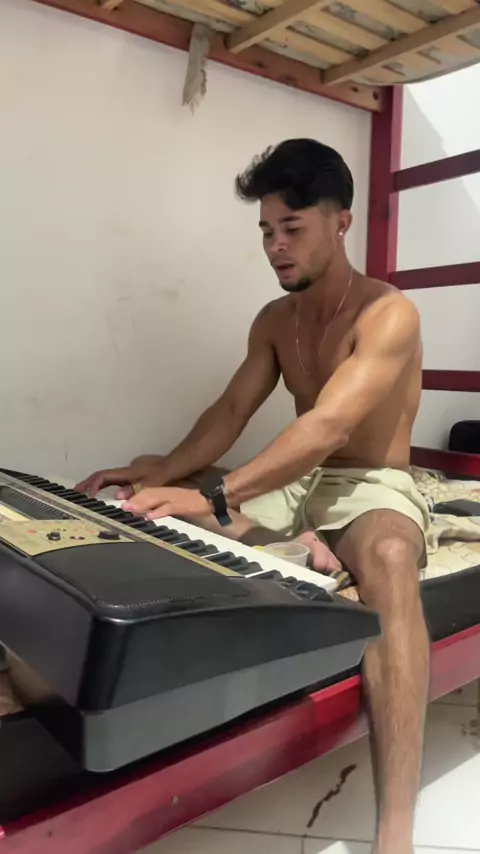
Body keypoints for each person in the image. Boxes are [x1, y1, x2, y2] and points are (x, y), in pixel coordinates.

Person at [77, 139, 429, 854]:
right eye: (266, 231)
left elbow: (329, 427)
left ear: (341, 222)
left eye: (291, 228)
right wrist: (162, 474)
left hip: (366, 483)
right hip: (297, 484)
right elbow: (230, 413)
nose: (275, 246)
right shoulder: (275, 320)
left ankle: (396, 833)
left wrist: (215, 496)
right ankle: (301, 545)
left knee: (391, 556)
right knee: (148, 488)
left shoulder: (390, 314)